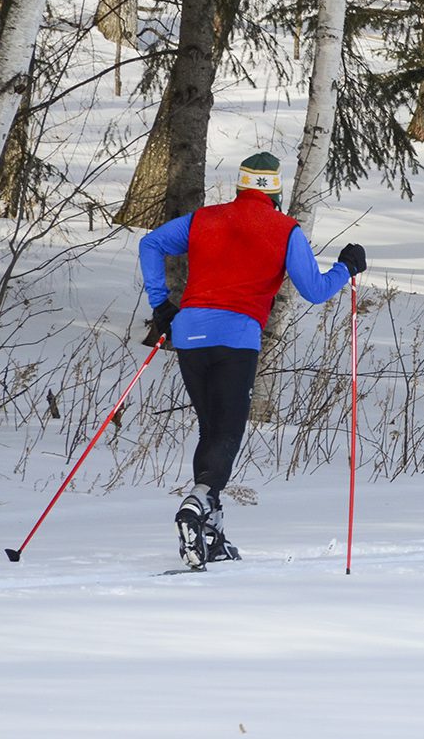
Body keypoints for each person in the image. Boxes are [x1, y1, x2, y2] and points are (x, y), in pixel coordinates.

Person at [139, 151, 365, 569]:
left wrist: (161, 305)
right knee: (226, 431)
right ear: (275, 191)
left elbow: (150, 243)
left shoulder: (204, 219)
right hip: (236, 337)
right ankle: (197, 505)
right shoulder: (284, 230)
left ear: (241, 185)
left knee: (212, 428)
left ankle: (211, 533)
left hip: (189, 333)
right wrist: (346, 269)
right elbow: (314, 290)